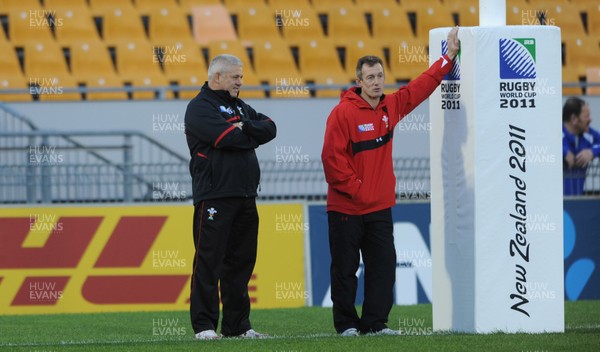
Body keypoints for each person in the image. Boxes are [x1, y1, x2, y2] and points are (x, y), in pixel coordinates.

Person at [321, 27, 459, 336]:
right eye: (369, 77)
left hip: (379, 208)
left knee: (383, 268)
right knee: (344, 271)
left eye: (380, 76)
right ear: (359, 82)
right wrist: (358, 190)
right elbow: (332, 160)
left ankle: (375, 323)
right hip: (346, 208)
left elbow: (418, 89)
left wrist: (446, 59)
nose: (376, 82)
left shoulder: (389, 107)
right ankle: (346, 325)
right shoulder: (341, 114)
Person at [184, 54, 276, 340]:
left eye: (241, 76)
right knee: (209, 262)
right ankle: (204, 326)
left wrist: (244, 127)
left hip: (246, 196)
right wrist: (248, 133)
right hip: (215, 197)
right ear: (217, 77)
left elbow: (270, 128)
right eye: (236, 76)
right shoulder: (199, 108)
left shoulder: (239, 106)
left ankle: (238, 326)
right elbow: (227, 139)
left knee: (241, 264)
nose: (241, 81)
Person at [562, 97, 600, 195]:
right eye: (586, 116)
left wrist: (591, 152)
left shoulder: (588, 134)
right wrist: (563, 152)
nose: (590, 119)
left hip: (577, 200)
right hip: (554, 202)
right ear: (574, 119)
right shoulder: (554, 134)